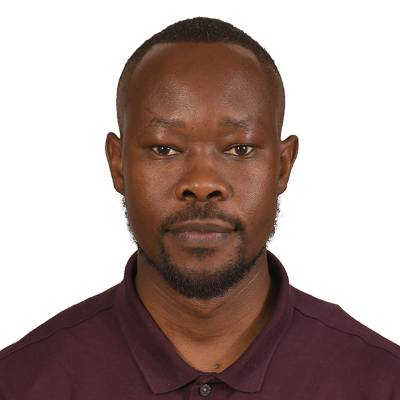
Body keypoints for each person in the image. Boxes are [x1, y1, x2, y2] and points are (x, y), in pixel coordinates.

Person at [0, 16, 399, 399]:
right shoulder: (19, 385)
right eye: (164, 149)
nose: (203, 184)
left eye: (239, 149)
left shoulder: (383, 383)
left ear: (282, 166)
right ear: (118, 165)